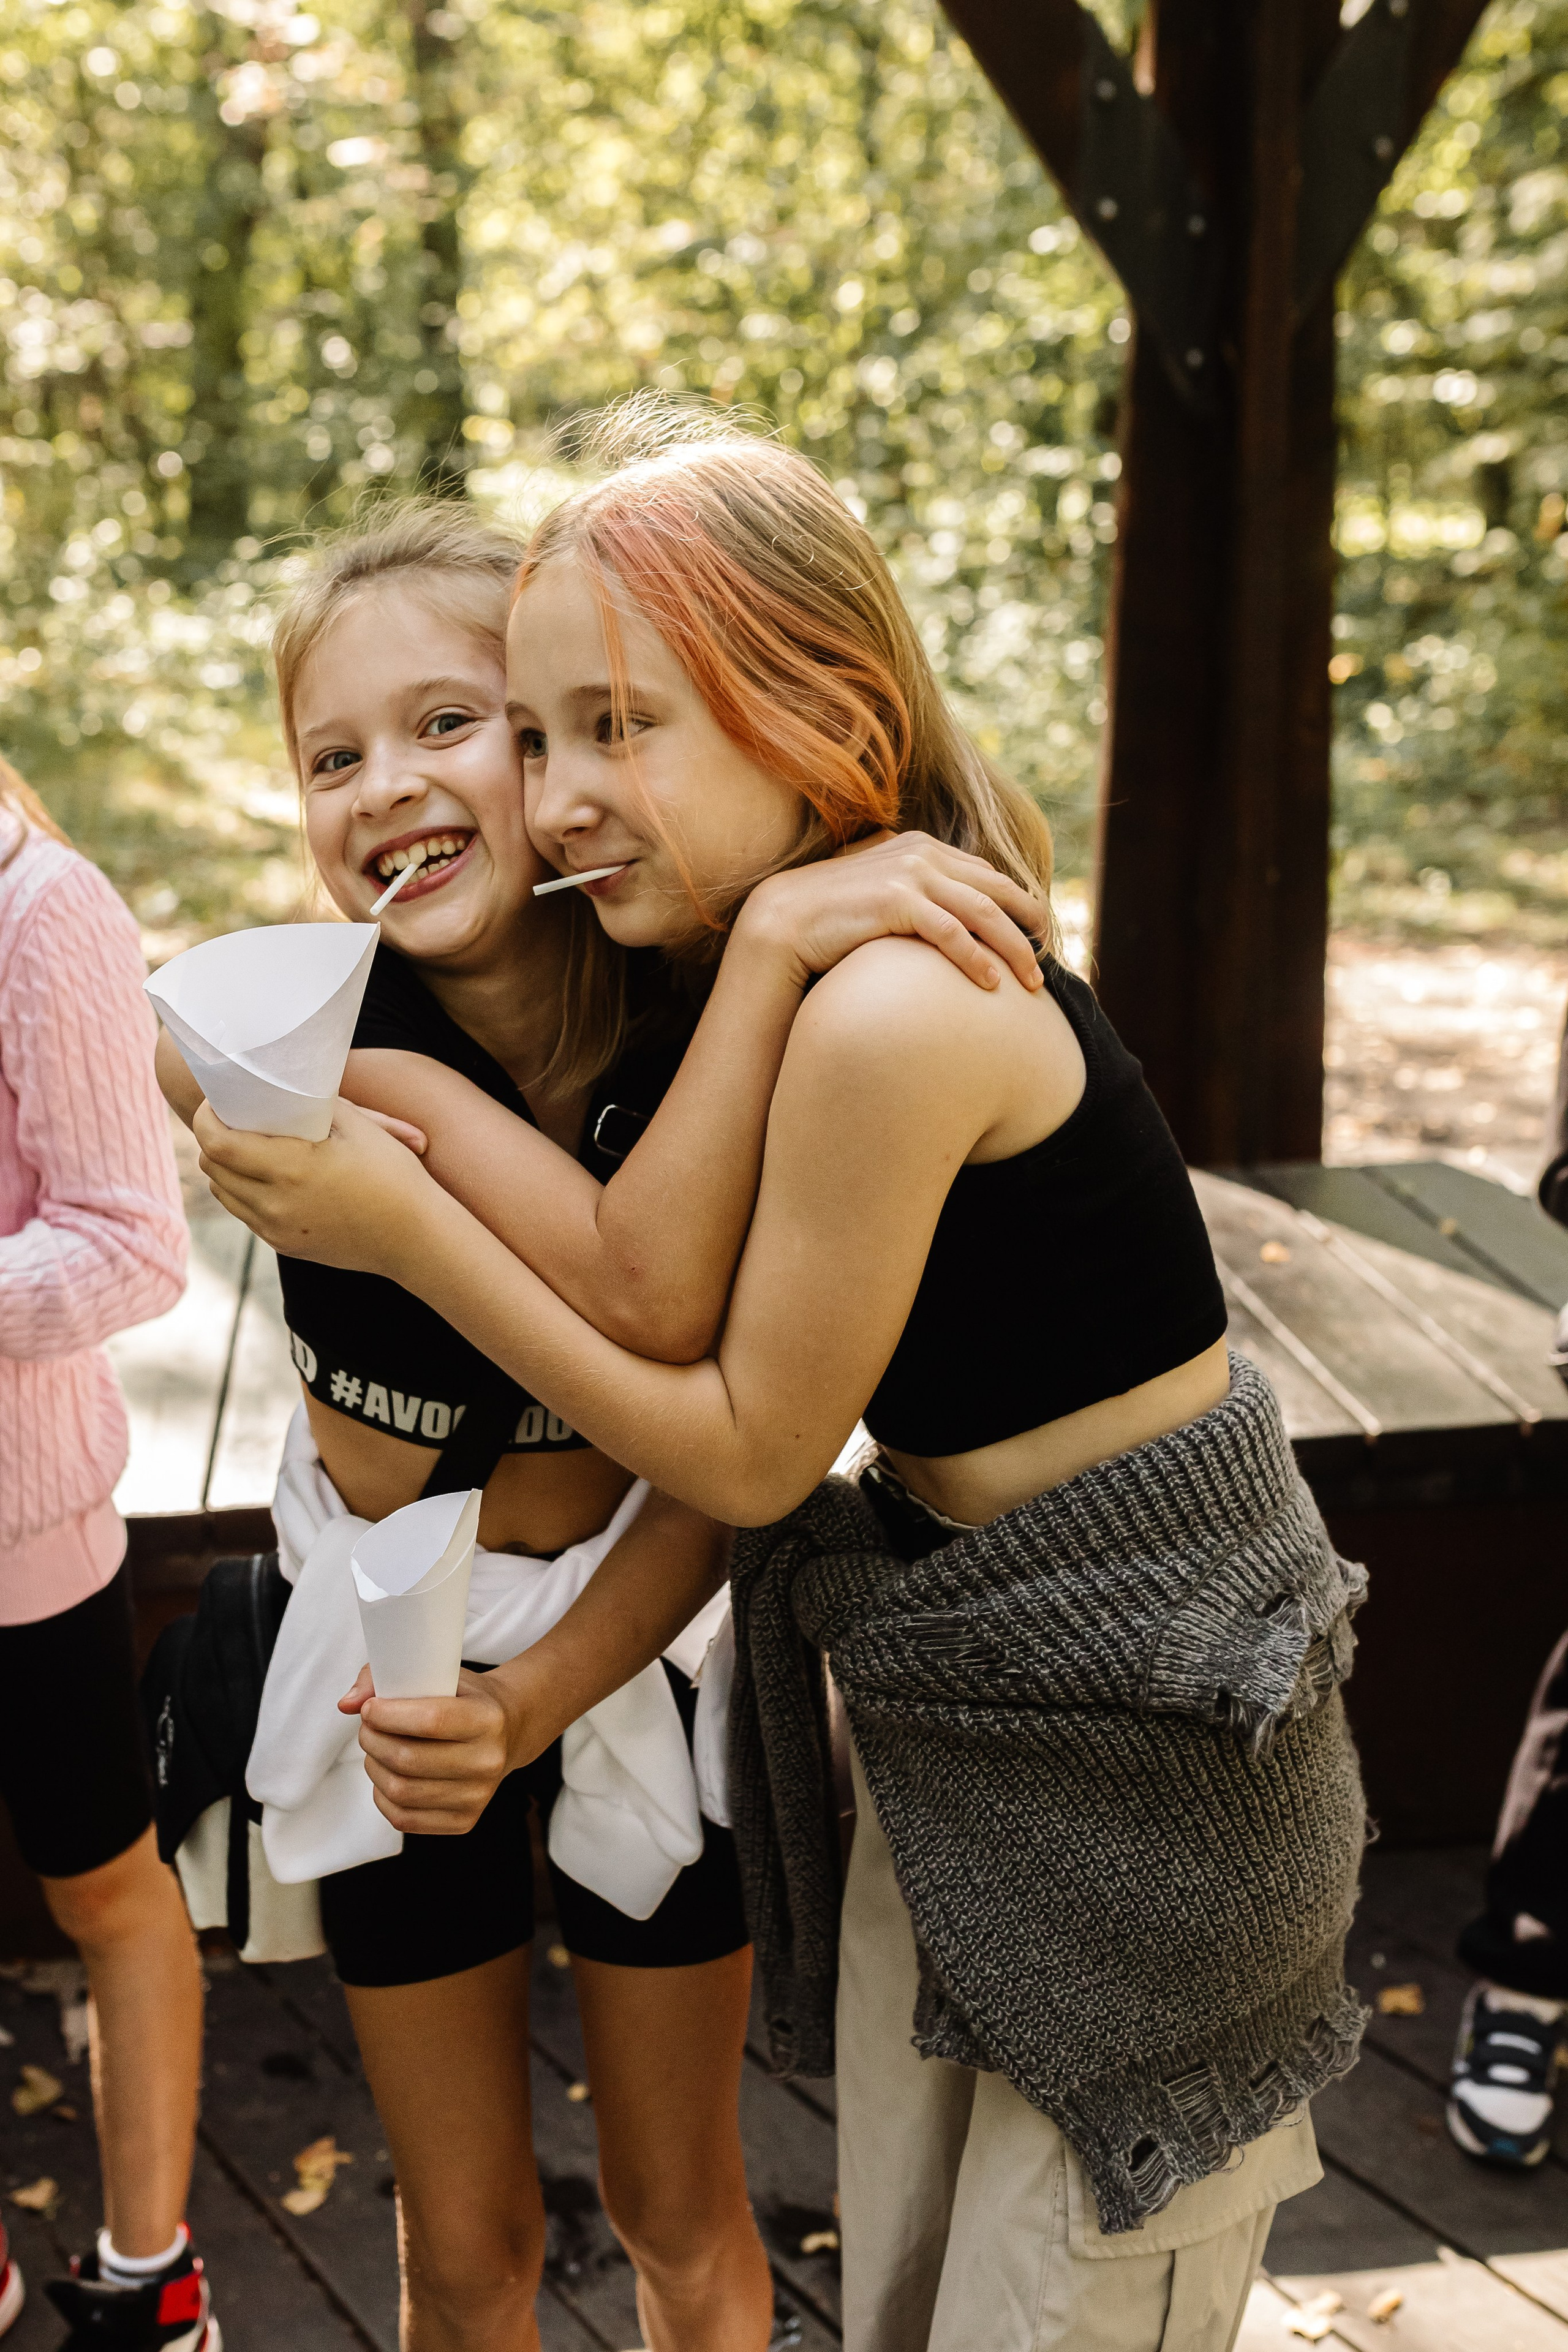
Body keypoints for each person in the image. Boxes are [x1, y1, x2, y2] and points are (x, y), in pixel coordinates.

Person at [194, 408, 1369, 2352]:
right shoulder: (767, 982)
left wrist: (413, 1229)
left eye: (608, 728)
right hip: (965, 1739)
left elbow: (741, 1444)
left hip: (1148, 1776)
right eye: (546, 734)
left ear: (812, 711)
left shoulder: (883, 1012)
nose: (562, 796)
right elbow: (640, 1275)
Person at [155, 497, 1049, 2352]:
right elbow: (175, 1039)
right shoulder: (307, 1036)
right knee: (465, 2243)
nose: (386, 785)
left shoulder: (702, 1019)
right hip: (389, 1685)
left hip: (646, 1646)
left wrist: (538, 1704)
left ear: (560, 752)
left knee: (678, 2212)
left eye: (449, 723)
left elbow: (726, 1466)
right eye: (334, 756)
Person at [0, 761, 217, 2350]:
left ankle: (156, 2284)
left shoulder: (42, 909)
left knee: (104, 1891)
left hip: (25, 1542)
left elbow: (137, 1243)